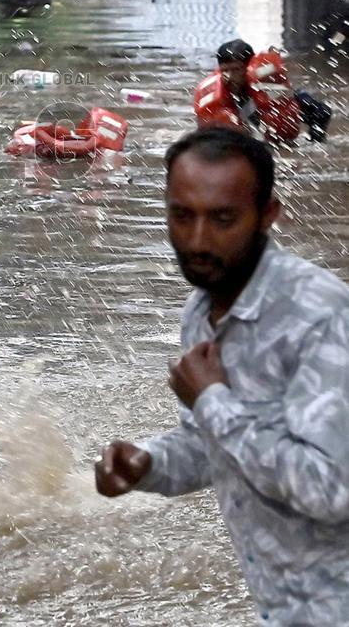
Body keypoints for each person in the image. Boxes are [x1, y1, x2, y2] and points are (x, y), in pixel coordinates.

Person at [95, 126, 349, 625]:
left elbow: (330, 489)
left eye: (223, 219)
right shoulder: (201, 310)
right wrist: (148, 462)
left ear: (267, 215)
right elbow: (214, 446)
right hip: (284, 607)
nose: (197, 241)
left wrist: (212, 400)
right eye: (182, 216)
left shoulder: (319, 317)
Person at [194, 38, 304, 143]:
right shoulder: (210, 94)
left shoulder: (266, 74)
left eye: (236, 69)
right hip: (237, 110)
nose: (230, 76)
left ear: (250, 67)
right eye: (225, 70)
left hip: (260, 102)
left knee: (309, 104)